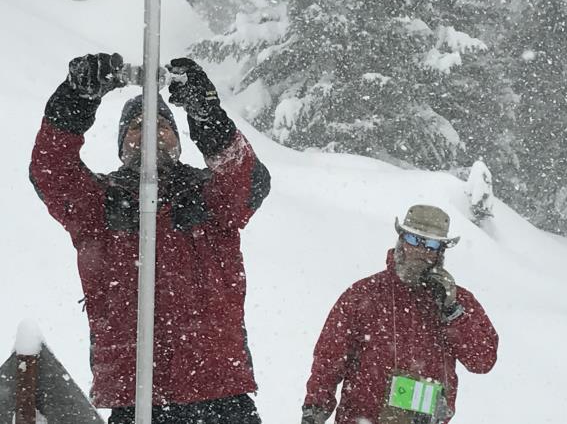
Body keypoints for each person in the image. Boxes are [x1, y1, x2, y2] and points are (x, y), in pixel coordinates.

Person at [30, 53, 270, 423]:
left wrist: (209, 118)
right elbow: (51, 170)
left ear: (177, 139)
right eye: (136, 126)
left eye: (161, 124)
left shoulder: (210, 197)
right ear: (121, 145)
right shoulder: (100, 206)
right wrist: (74, 100)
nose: (149, 132)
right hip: (135, 398)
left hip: (220, 397)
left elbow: (248, 179)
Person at [301, 205, 498, 424]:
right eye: (414, 240)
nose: (421, 251)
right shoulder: (364, 294)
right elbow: (329, 358)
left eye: (432, 244)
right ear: (401, 240)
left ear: (441, 251)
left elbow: (483, 361)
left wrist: (452, 312)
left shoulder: (458, 301)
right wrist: (314, 410)